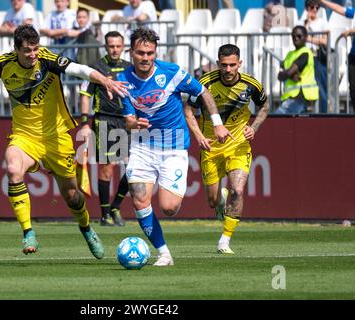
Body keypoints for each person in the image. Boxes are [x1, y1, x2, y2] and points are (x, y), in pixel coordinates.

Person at [0, 25, 128, 258]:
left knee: (72, 196)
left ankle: (86, 228)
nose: (33, 54)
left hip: (57, 137)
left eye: (35, 49)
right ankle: (28, 231)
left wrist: (104, 81)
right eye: (27, 50)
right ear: (16, 49)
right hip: (25, 136)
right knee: (13, 169)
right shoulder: (3, 64)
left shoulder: (47, 59)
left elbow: (81, 70)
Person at [117, 28, 232, 266]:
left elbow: (203, 93)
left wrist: (218, 124)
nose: (145, 57)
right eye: (140, 53)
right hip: (143, 146)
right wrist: (132, 123)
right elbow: (128, 121)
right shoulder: (122, 80)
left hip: (174, 146)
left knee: (169, 208)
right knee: (139, 198)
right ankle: (164, 253)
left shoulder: (172, 72)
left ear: (155, 52)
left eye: (149, 52)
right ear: (131, 53)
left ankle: (219, 199)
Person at [185, 44, 270, 254]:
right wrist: (199, 136)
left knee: (238, 190)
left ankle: (225, 240)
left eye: (233, 65)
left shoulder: (251, 85)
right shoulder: (205, 84)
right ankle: (220, 201)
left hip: (239, 144)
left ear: (239, 63)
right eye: (224, 65)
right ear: (218, 64)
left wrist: (254, 127)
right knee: (212, 201)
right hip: (211, 147)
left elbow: (265, 106)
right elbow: (187, 109)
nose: (229, 70)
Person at [79, 31, 132, 227]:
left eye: (118, 46)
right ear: (106, 46)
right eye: (111, 46)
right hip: (104, 120)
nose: (115, 49)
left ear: (123, 46)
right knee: (107, 169)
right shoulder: (96, 68)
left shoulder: (129, 68)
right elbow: (85, 94)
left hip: (127, 121)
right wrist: (84, 122)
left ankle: (115, 206)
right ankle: (105, 215)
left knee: (133, 168)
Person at [320, 0, 355, 111]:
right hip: (353, 57)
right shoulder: (354, 12)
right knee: (353, 89)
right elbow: (339, 9)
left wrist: (351, 31)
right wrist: (323, 1)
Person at [275, 25, 319, 113]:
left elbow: (286, 73)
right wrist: (290, 76)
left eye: (299, 36)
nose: (296, 38)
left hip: (302, 97)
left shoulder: (305, 53)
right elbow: (280, 76)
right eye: (294, 36)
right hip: (290, 97)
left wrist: (287, 74)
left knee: (277, 119)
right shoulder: (289, 55)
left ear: (306, 37)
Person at [298, 0, 329, 113]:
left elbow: (325, 41)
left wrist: (309, 39)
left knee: (321, 88)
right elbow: (298, 37)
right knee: (303, 87)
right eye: (312, 7)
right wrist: (307, 22)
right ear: (307, 8)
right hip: (304, 58)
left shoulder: (322, 22)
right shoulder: (301, 22)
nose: (315, 10)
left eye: (317, 7)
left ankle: (324, 114)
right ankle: (303, 113)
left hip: (317, 57)